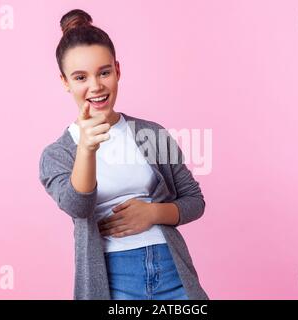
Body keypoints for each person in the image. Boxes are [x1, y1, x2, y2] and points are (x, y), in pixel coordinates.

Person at [39, 8, 209, 300]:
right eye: (80, 77)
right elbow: (78, 207)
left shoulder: (152, 134)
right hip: (113, 281)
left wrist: (153, 213)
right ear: (65, 82)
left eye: (104, 72)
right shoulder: (58, 154)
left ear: (117, 70)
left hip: (172, 272)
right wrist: (87, 149)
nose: (96, 86)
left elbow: (194, 202)